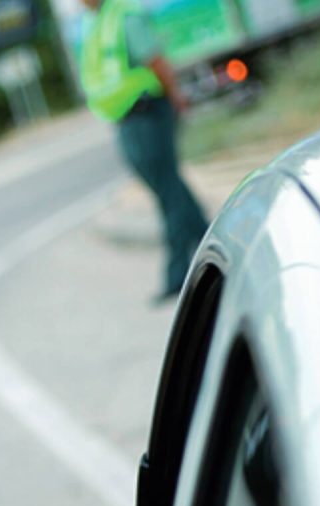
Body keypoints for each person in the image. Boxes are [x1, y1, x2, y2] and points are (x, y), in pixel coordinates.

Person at [78, 0, 210, 301]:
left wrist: (176, 96)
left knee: (168, 191)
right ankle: (211, 240)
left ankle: (178, 274)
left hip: (148, 112)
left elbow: (155, 60)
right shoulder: (94, 22)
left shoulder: (123, 15)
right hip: (125, 118)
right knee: (170, 188)